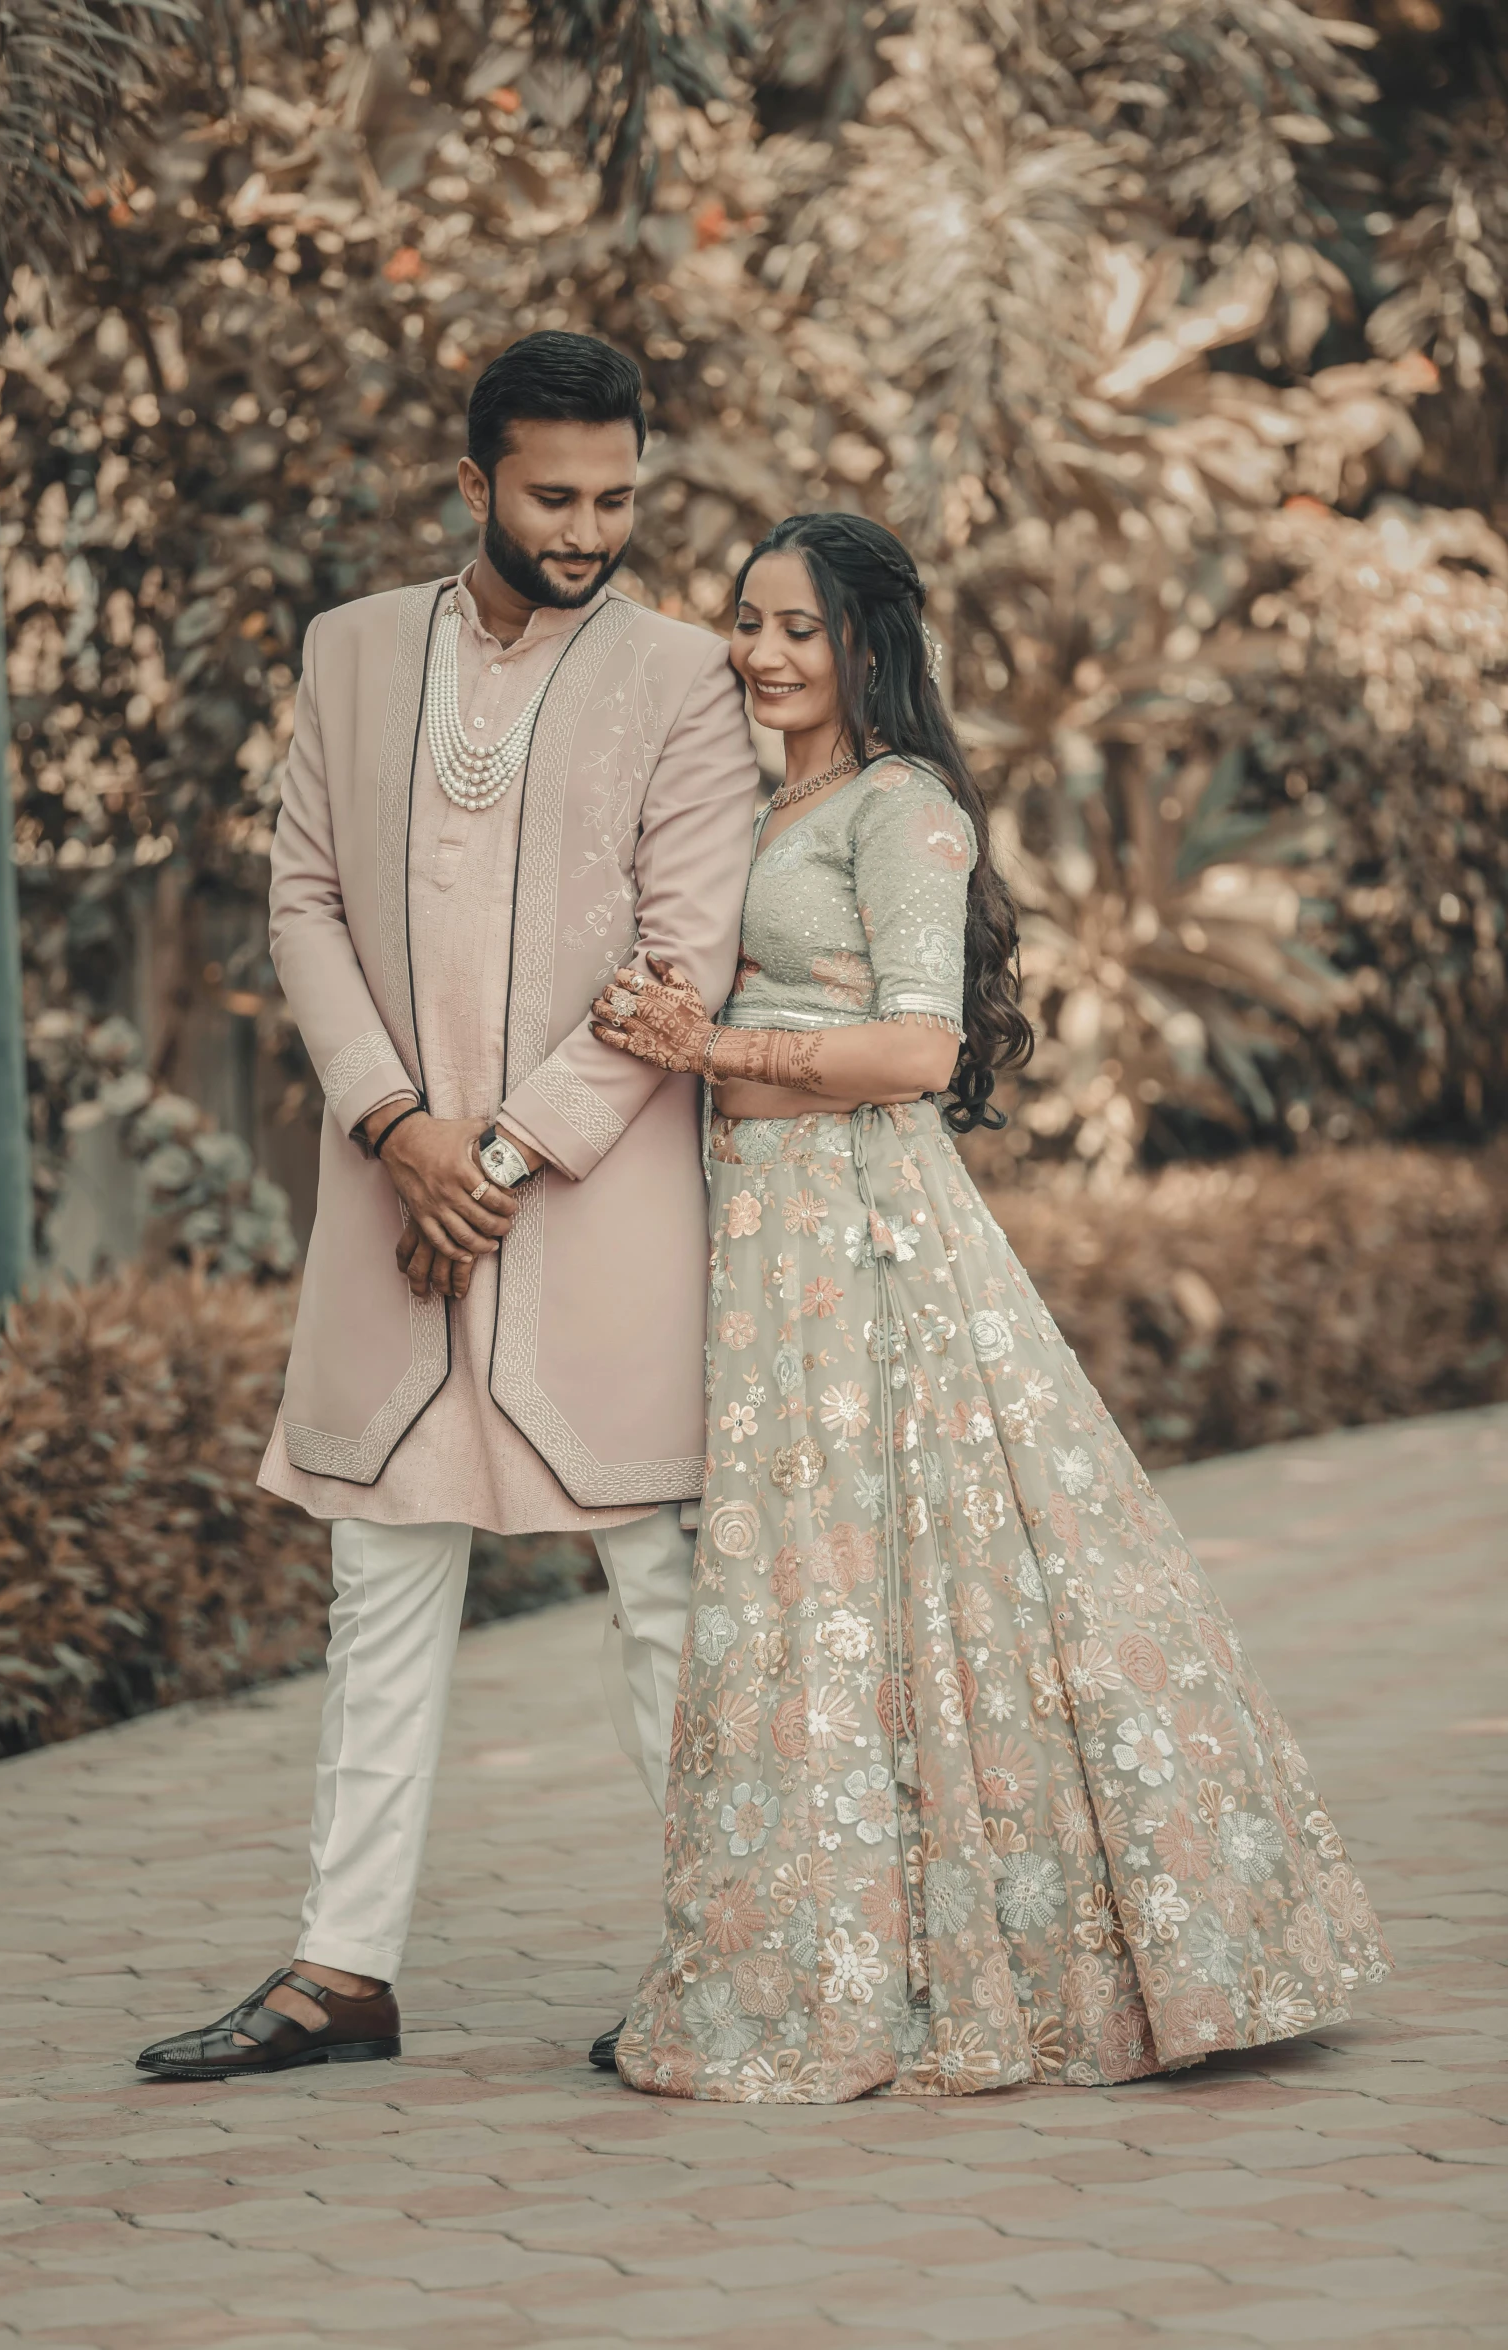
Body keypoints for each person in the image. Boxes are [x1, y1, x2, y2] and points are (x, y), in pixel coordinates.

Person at [590, 512, 1391, 2103]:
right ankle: (838, 1945)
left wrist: (710, 1048)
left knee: (914, 1584)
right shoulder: (787, 796)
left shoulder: (904, 808)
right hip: (778, 1246)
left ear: (869, 642)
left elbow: (910, 1051)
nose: (758, 652)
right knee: (833, 1598)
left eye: (796, 629)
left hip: (864, 1238)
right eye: (746, 622)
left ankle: (1021, 1951)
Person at [134, 332, 761, 2082]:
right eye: (555, 495)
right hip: (386, 1182)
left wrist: (491, 1163)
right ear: (471, 477)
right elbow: (303, 901)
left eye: (619, 496)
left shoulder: (684, 677)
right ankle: (343, 1971)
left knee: (659, 1585)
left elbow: (679, 955)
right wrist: (395, 1123)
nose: (590, 527)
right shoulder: (346, 653)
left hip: (595, 1200)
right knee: (380, 1570)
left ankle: (722, 1959)